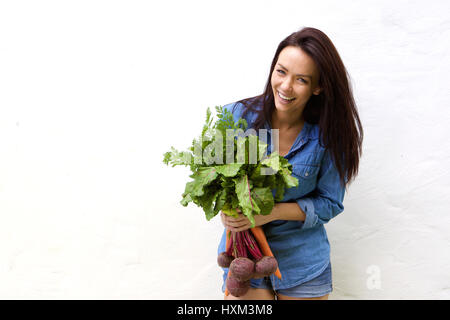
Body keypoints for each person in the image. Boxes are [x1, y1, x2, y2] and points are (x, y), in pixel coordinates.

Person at [217, 27, 363, 300]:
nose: (285, 86)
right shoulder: (235, 117)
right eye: (281, 72)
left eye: (301, 80)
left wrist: (272, 211)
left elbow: (330, 202)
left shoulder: (329, 135)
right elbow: (214, 180)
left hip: (304, 261)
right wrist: (226, 211)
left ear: (318, 86)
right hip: (244, 257)